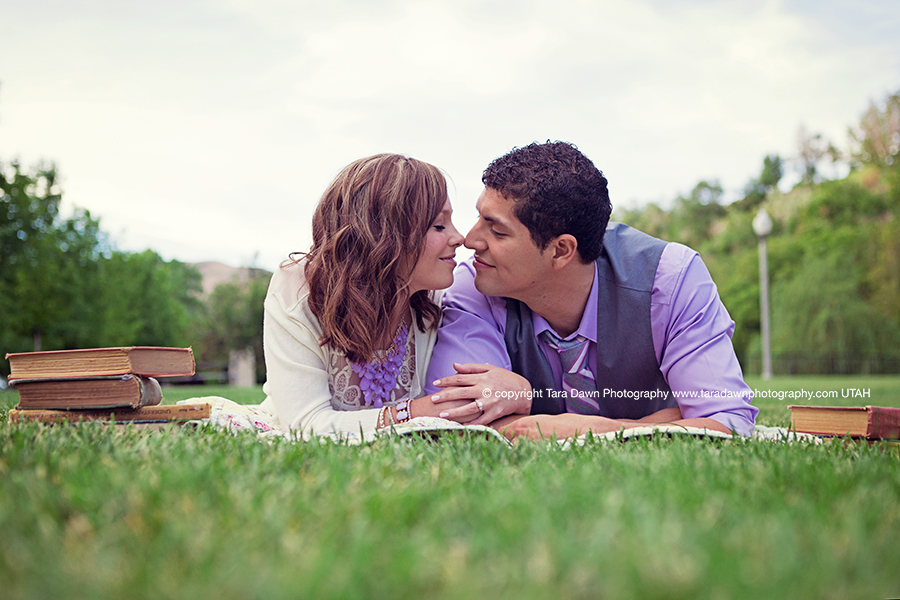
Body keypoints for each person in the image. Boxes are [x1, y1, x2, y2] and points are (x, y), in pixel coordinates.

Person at [423, 141, 758, 440]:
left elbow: (727, 422)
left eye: (496, 230)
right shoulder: (477, 284)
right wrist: (666, 422)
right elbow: (455, 421)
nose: (470, 240)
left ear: (560, 251)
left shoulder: (671, 279)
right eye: (480, 218)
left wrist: (587, 429)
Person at [254, 153, 468, 440]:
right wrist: (413, 412)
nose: (460, 237)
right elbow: (304, 424)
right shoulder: (297, 289)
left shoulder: (436, 298)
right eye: (439, 226)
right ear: (385, 234)